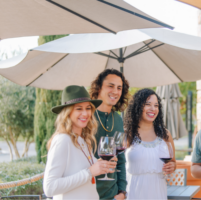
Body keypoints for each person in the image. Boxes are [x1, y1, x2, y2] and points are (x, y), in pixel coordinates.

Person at [43, 85, 116, 200]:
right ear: (68, 112)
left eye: (88, 108)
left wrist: (103, 164)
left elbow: (83, 167)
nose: (85, 113)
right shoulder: (63, 140)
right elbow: (49, 188)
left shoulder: (83, 140)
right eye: (79, 109)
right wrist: (89, 173)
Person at [124, 88, 176, 200]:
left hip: (158, 192)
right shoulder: (127, 134)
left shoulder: (165, 134)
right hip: (134, 191)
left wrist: (172, 166)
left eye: (156, 105)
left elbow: (173, 162)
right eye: (148, 104)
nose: (153, 109)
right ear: (138, 106)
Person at [89, 69, 129, 200]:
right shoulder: (87, 117)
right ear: (99, 87)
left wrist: (122, 191)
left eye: (119, 88)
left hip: (113, 195)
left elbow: (121, 160)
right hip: (89, 194)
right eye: (110, 86)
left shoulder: (118, 119)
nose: (115, 91)